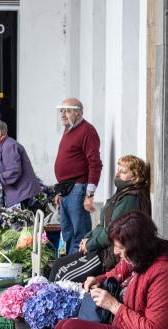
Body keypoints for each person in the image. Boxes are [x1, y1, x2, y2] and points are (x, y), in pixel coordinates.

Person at [50, 155, 151, 282]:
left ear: (136, 178)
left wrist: (90, 244)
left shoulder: (130, 199)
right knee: (59, 263)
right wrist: (87, 239)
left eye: (123, 172)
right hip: (100, 248)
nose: (118, 174)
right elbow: (102, 224)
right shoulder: (122, 193)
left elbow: (112, 232)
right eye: (118, 169)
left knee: (62, 274)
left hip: (108, 255)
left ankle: (49, 300)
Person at [54, 98, 102, 252]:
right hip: (65, 190)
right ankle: (69, 268)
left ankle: (79, 271)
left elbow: (95, 163)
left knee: (79, 234)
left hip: (77, 189)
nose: (63, 114)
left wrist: (89, 195)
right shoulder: (68, 129)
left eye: (67, 111)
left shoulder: (87, 131)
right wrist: (59, 192)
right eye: (61, 111)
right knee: (67, 233)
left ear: (78, 112)